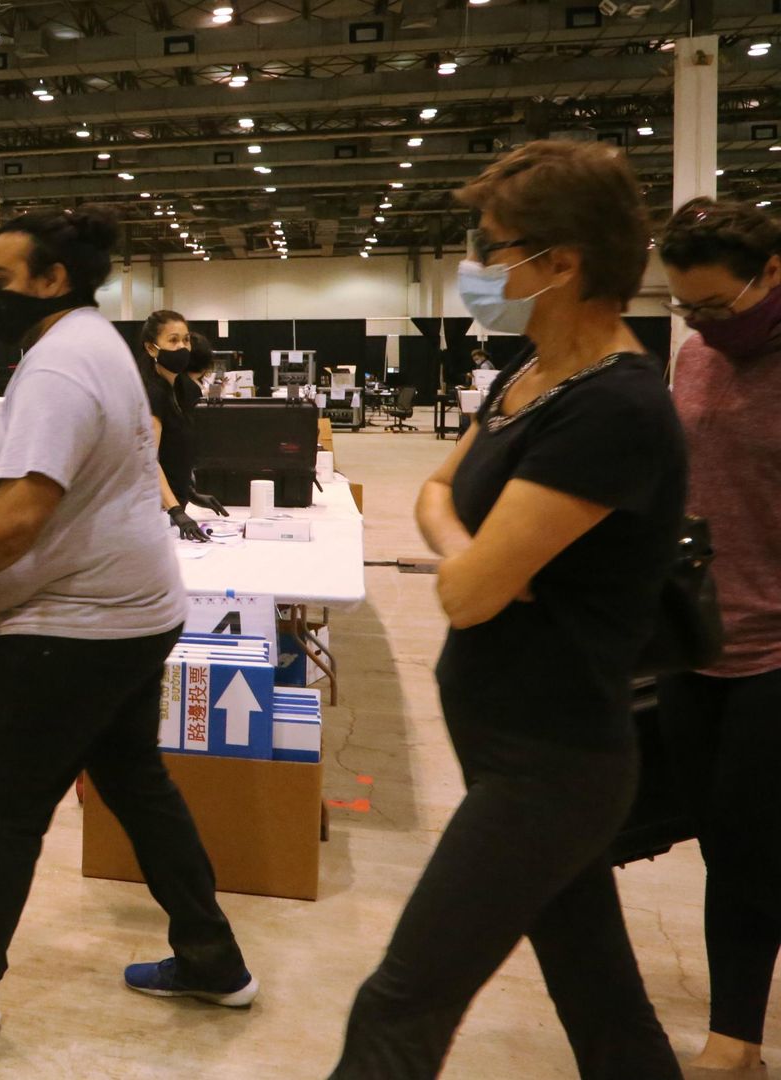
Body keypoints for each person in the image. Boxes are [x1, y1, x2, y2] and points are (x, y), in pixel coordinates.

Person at [330, 140, 685, 1079]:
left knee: (399, 1006)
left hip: (551, 763)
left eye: (493, 248)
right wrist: (474, 552)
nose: (477, 269)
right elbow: (435, 497)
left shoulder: (613, 408)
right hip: (506, 743)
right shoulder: (526, 380)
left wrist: (475, 564)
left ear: (561, 262)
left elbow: (468, 592)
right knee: (605, 1007)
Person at [0, 206, 253, 1040]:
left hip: (74, 625)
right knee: (137, 788)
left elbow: (20, 515)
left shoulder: (59, 367)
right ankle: (214, 960)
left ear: (52, 279)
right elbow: (8, 454)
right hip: (133, 613)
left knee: (9, 805)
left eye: (1, 281)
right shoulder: (90, 345)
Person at [653, 196, 781, 1076]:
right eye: (684, 308)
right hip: (695, 636)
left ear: (771, 274)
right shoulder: (696, 359)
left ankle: (734, 1035)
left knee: (748, 839)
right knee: (714, 832)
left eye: (715, 306)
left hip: (778, 648)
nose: (700, 324)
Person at [138, 310, 229, 541]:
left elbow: (174, 452)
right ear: (151, 348)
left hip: (171, 506)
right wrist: (176, 510)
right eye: (173, 340)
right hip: (148, 512)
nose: (182, 347)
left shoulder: (187, 389)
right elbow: (148, 460)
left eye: (186, 339)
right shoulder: (151, 394)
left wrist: (190, 492)